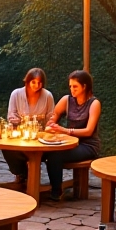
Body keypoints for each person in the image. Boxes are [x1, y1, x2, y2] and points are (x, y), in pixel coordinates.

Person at [44, 70, 101, 201]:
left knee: (55, 155)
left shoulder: (94, 103)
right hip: (69, 142)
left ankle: (56, 191)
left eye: (75, 86)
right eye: (70, 86)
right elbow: (54, 116)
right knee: (43, 152)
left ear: (84, 86)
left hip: (87, 145)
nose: (72, 89)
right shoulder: (67, 100)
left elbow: (88, 131)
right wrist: (51, 124)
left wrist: (64, 130)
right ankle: (29, 183)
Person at [2, 68, 56, 183]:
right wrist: (20, 123)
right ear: (27, 81)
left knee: (49, 151)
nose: (36, 85)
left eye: (39, 83)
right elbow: (11, 115)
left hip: (40, 138)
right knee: (7, 148)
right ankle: (21, 172)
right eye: (33, 82)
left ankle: (34, 174)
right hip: (20, 135)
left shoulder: (47, 96)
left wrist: (47, 128)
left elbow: (51, 117)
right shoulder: (16, 94)